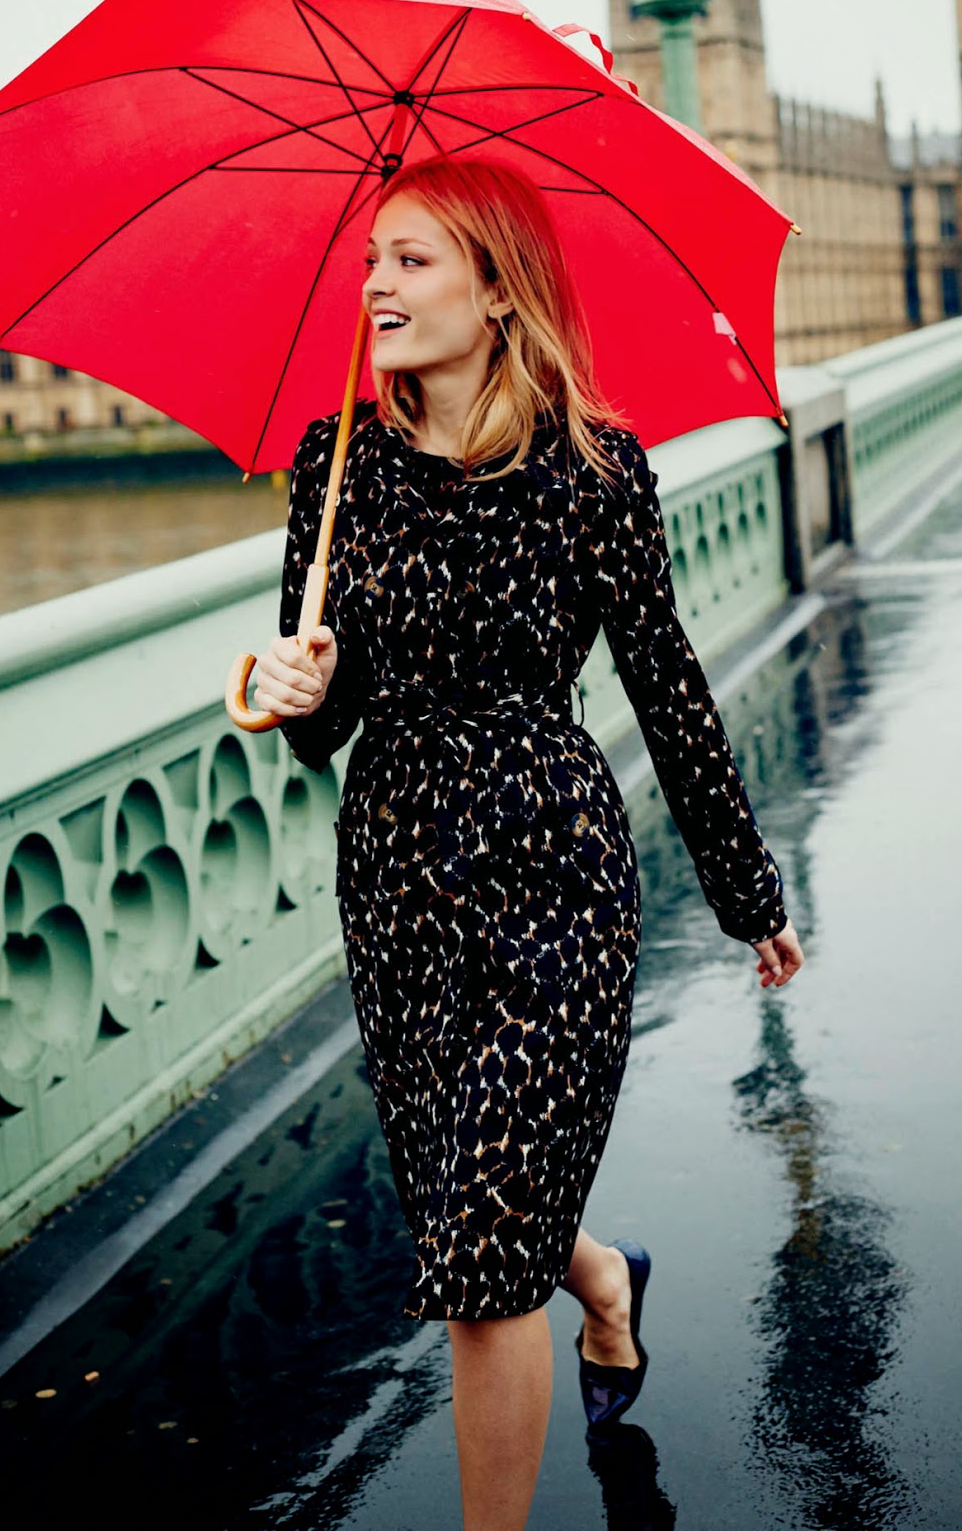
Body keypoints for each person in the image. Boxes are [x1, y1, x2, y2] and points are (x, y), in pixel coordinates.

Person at [252, 154, 805, 1530]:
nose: (377, 282)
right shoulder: (338, 468)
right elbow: (326, 721)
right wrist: (302, 698)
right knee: (466, 1198)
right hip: (394, 875)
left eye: (416, 258)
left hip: (553, 867)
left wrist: (750, 895)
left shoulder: (594, 467)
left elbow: (670, 694)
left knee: (481, 1269)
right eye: (373, 257)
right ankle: (605, 1278)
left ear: (499, 291)